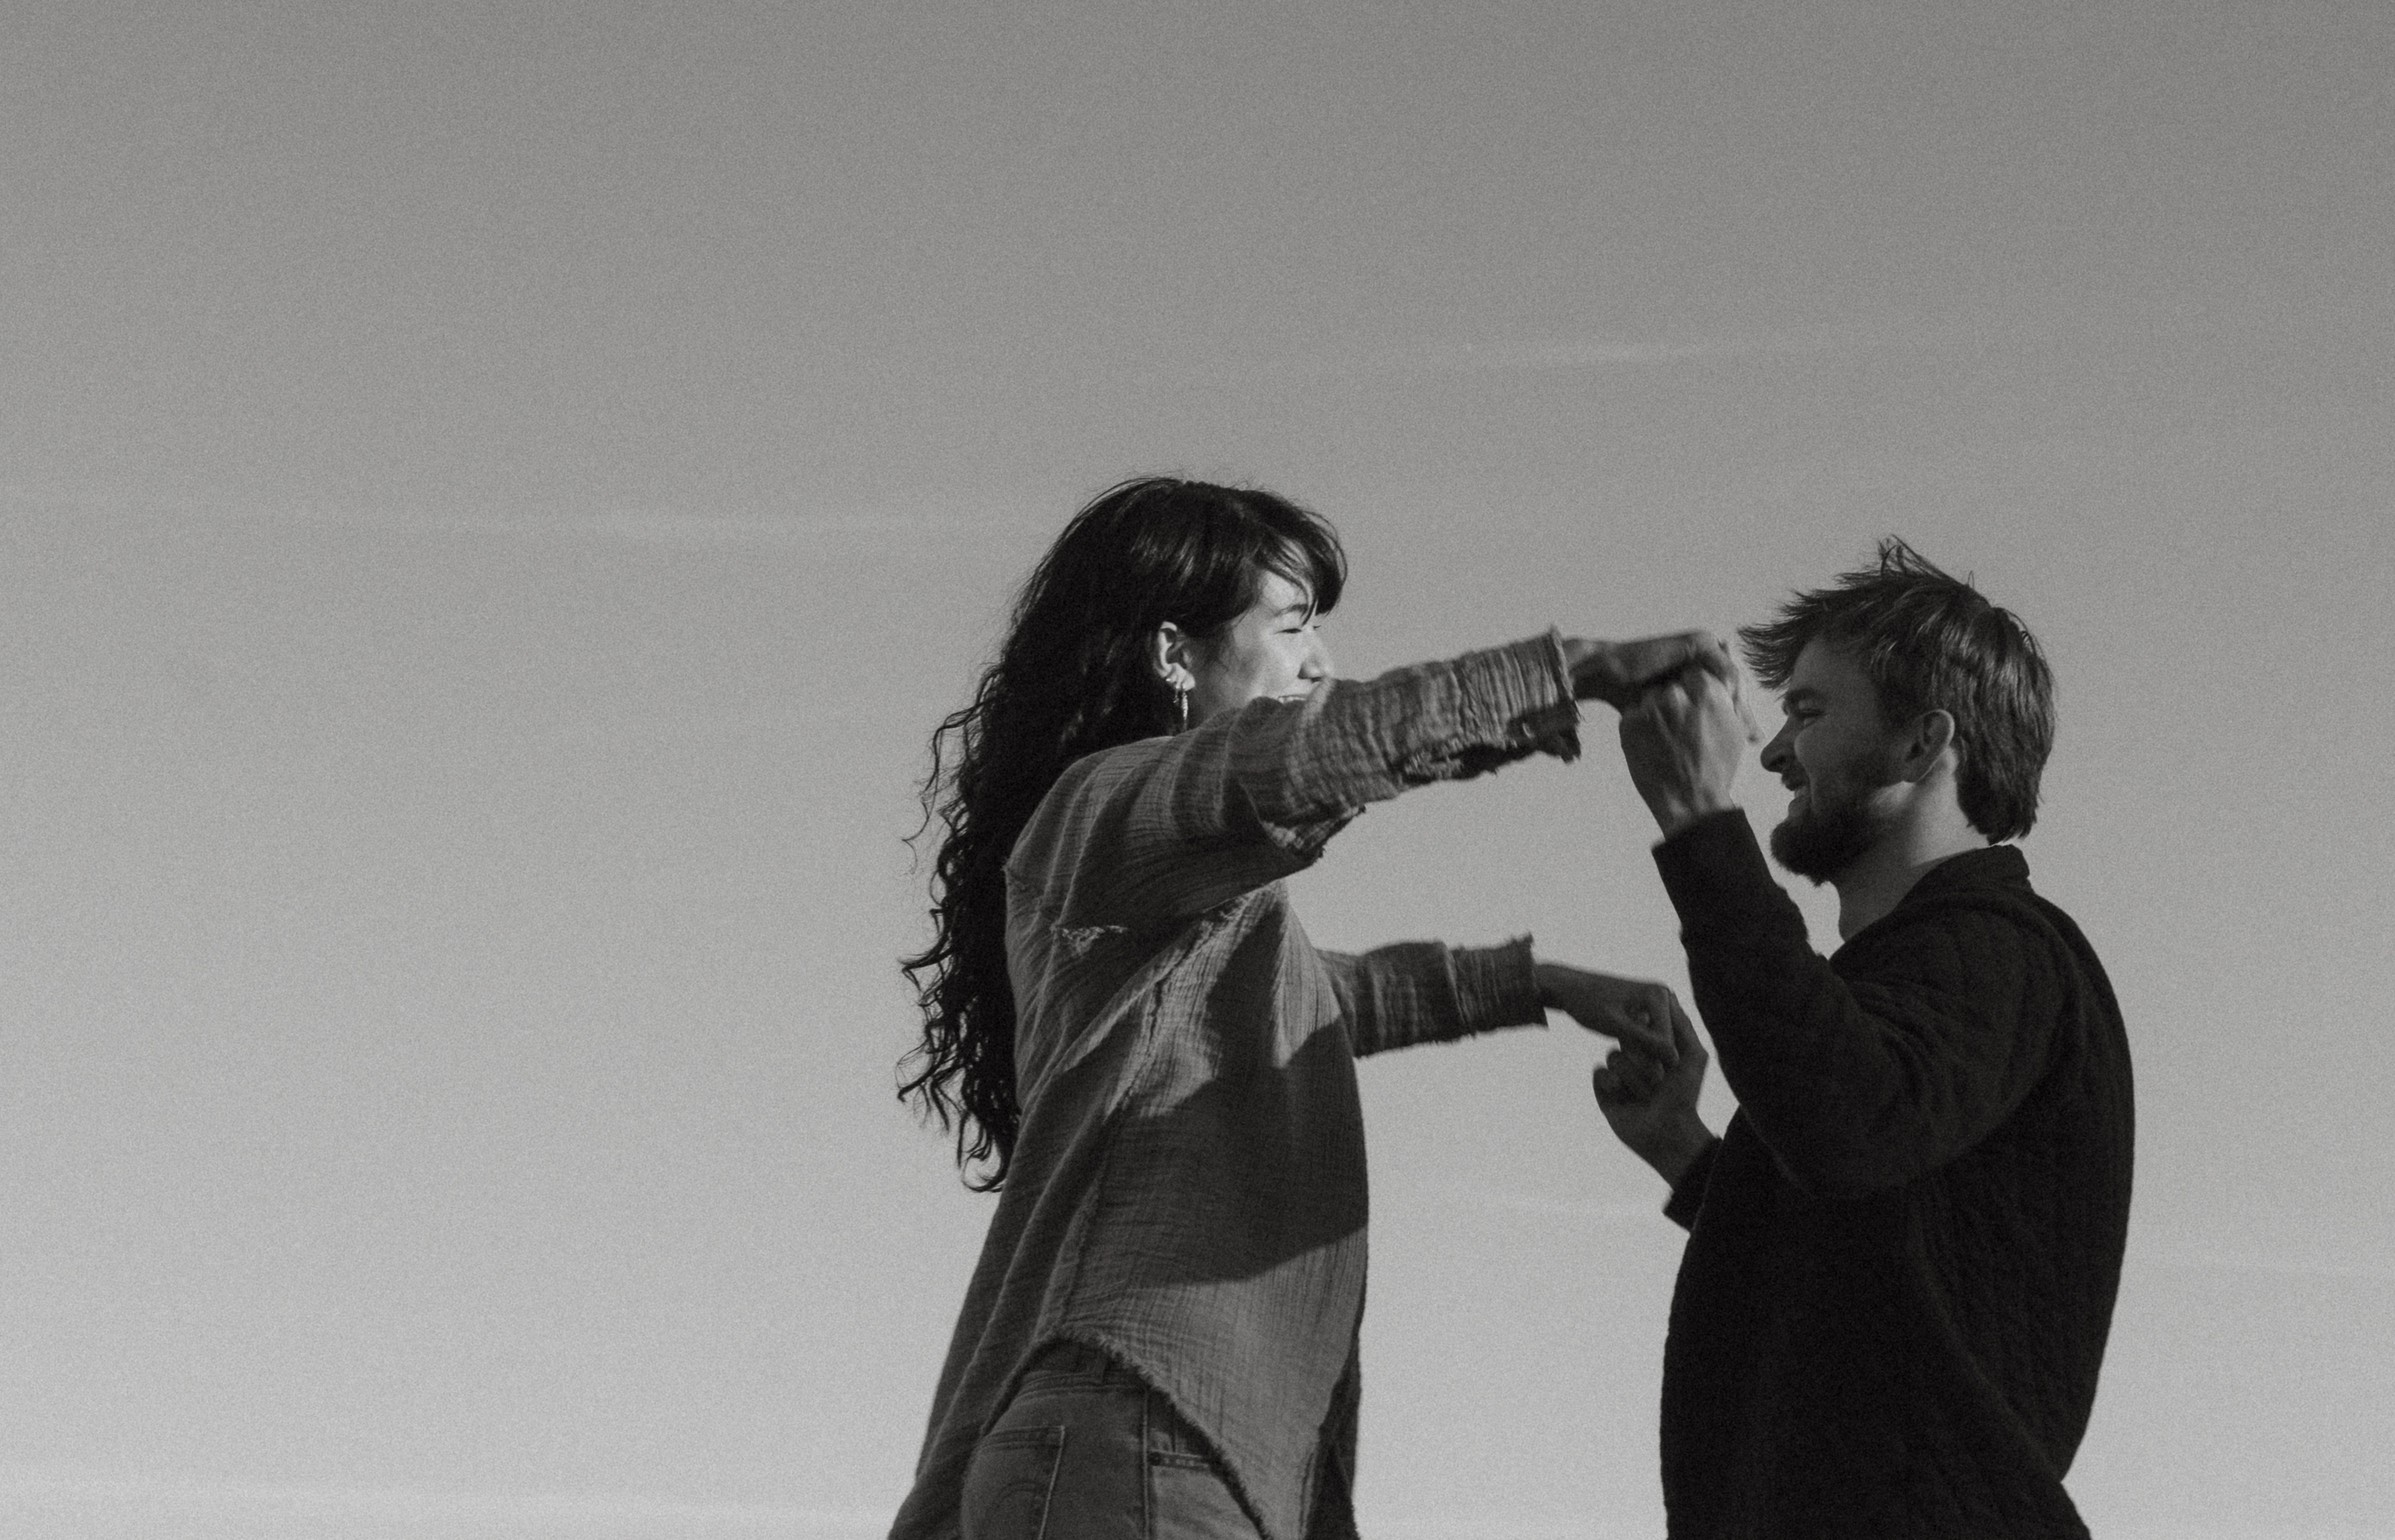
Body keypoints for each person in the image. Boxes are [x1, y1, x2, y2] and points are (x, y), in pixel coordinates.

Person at [888, 476, 1719, 1540]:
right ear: (1173, 654)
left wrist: (1544, 983)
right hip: (1139, 1435)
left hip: (1176, 1453)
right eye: (1292, 626)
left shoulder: (1177, 903)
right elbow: (1291, 764)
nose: (1318, 658)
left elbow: (1322, 997)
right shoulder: (1100, 807)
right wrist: (1575, 672)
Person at [1591, 541, 2134, 1539]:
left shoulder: (2000, 951)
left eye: (1808, 711)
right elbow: (1869, 1260)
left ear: (1924, 743)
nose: (1770, 752)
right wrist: (1687, 1154)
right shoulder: (1913, 986)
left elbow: (1849, 1129)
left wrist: (1697, 818)